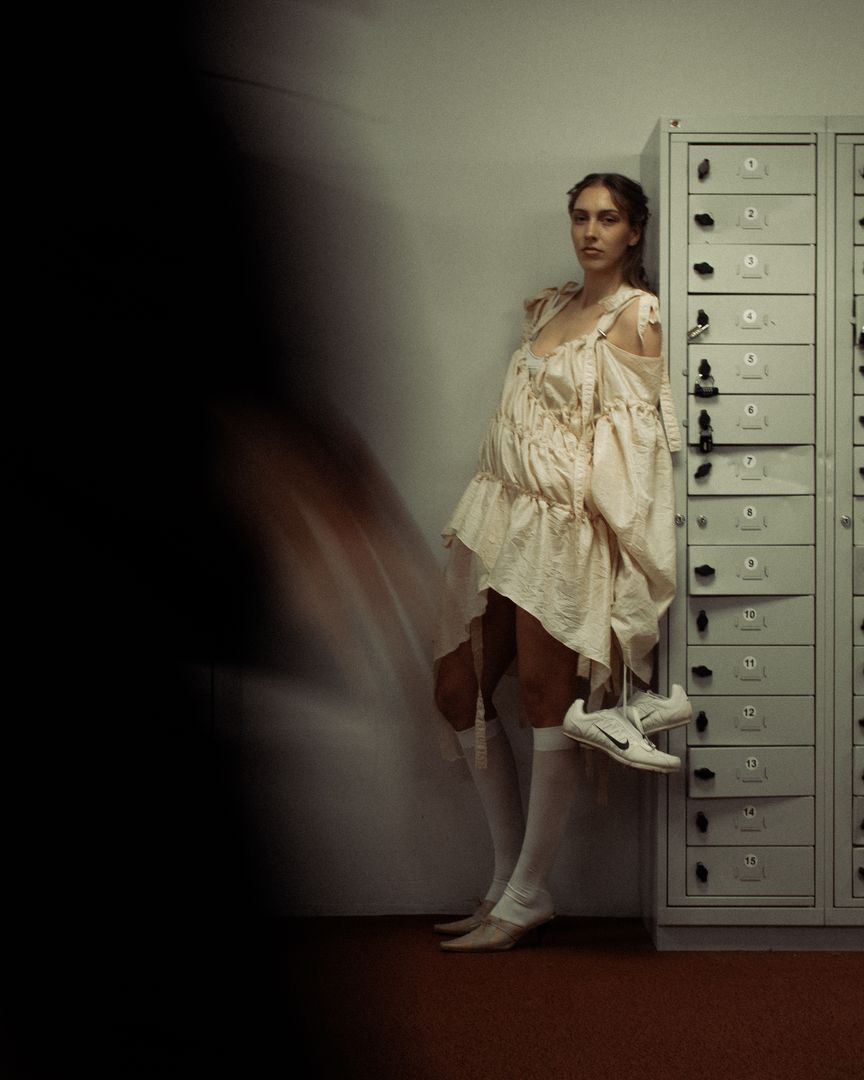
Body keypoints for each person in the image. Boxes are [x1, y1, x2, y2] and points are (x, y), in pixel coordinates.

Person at [431, 173, 692, 953]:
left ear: (635, 231)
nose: (591, 232)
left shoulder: (636, 314)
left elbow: (635, 445)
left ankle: (527, 895)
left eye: (608, 219)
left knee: (549, 701)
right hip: (498, 511)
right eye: (580, 217)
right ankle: (504, 880)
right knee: (456, 688)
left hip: (562, 527)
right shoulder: (550, 307)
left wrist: (613, 544)